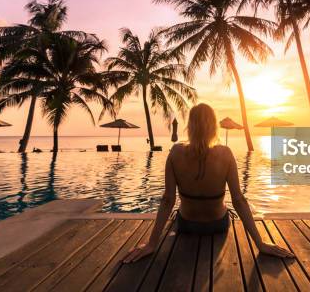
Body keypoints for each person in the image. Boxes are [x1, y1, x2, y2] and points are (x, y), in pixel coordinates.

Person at [123, 103, 293, 263]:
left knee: (178, 212)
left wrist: (152, 244)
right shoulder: (225, 153)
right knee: (226, 205)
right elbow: (239, 200)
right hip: (217, 225)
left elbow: (168, 200)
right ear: (214, 127)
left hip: (186, 224)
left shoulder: (175, 152)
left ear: (190, 126)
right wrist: (260, 243)